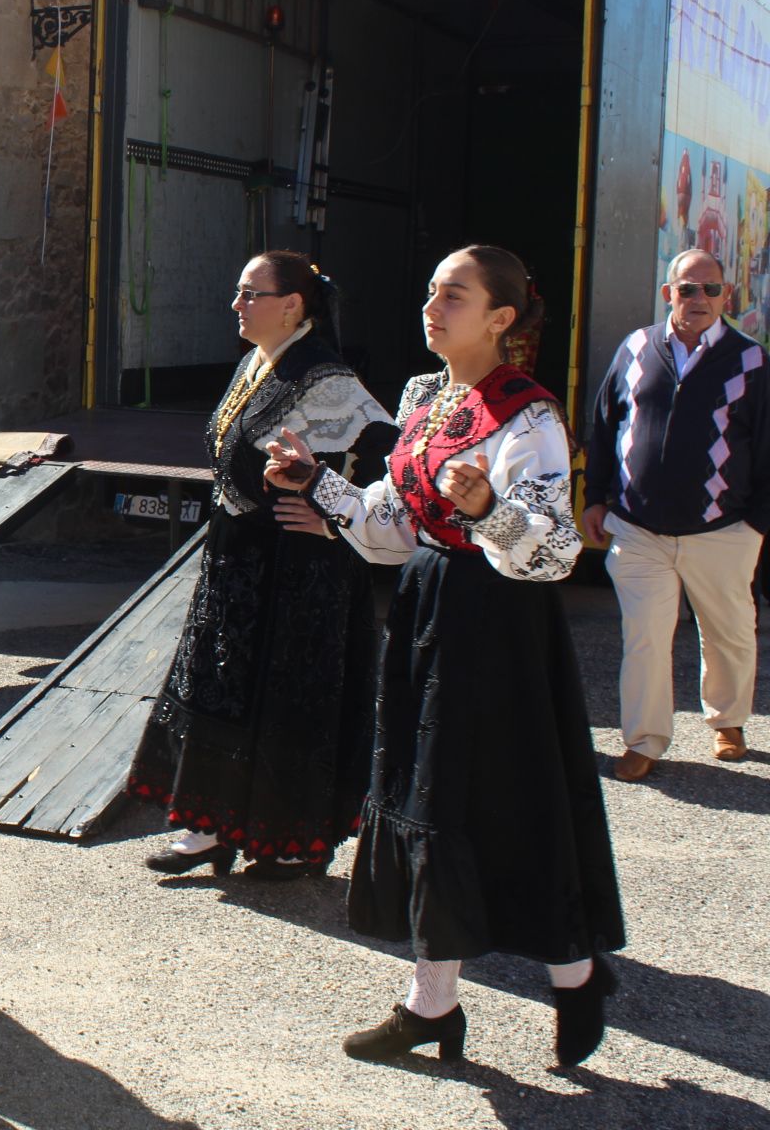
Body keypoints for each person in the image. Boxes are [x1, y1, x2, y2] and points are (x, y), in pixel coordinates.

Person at [265, 245, 624, 1068]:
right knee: (428, 802)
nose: (433, 306)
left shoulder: (529, 415)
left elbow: (555, 553)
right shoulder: (426, 398)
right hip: (430, 606)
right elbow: (390, 529)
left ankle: (570, 977)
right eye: (431, 291)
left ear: (501, 317)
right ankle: (440, 1003)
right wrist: (317, 482)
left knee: (493, 806)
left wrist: (492, 508)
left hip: (497, 627)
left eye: (454, 295)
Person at [127, 252, 394, 881]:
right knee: (220, 687)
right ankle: (209, 829)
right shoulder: (257, 361)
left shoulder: (327, 378)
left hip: (301, 572)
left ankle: (291, 841)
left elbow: (391, 460)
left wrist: (338, 519)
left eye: (251, 294)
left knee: (288, 701)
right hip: (240, 562)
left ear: (293, 305)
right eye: (238, 292)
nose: (237, 305)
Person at [581, 248, 769, 781]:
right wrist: (596, 496)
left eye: (711, 290)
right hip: (639, 530)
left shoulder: (751, 361)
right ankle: (644, 740)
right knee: (645, 635)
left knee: (729, 630)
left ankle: (728, 721)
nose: (699, 299)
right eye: (688, 289)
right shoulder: (636, 348)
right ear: (670, 294)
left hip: (723, 529)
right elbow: (604, 424)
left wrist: (755, 524)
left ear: (725, 297)